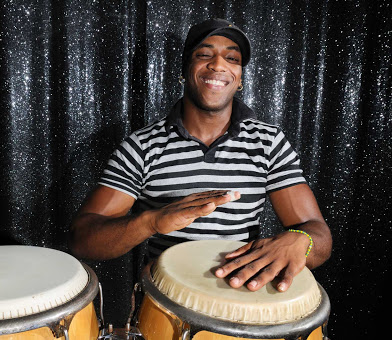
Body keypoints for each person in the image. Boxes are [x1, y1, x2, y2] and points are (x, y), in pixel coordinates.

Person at [69, 18, 332, 292]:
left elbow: (319, 236)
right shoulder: (142, 146)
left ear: (239, 77)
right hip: (166, 306)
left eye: (232, 58)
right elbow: (82, 239)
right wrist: (152, 221)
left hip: (240, 295)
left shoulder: (268, 142)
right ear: (185, 68)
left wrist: (300, 240)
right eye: (204, 55)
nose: (218, 65)